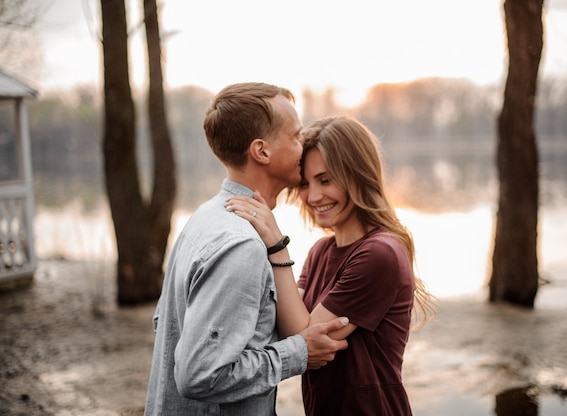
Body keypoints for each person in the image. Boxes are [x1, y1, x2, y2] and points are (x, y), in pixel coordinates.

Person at [144, 83, 349, 416]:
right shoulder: (240, 245)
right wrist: (299, 352)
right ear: (262, 151)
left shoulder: (205, 217)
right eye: (296, 136)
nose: (305, 144)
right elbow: (200, 375)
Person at [226, 115, 438, 416]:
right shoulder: (321, 251)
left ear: (358, 175)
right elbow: (287, 327)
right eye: (305, 183)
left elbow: (306, 337)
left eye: (326, 180)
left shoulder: (380, 254)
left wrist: (276, 246)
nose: (313, 196)